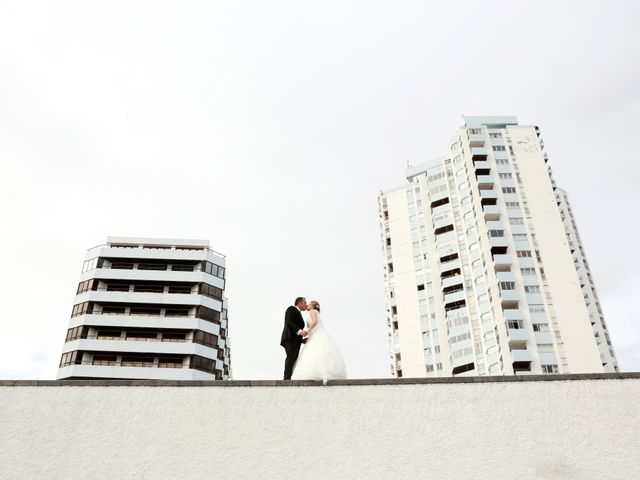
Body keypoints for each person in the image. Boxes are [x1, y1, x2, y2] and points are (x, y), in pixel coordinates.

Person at [291, 300, 347, 383]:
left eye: (309, 304)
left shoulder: (313, 311)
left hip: (315, 334)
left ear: (313, 306)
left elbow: (315, 322)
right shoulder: (315, 312)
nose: (307, 305)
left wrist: (307, 331)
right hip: (315, 334)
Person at [280, 297, 308, 380]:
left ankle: (290, 377)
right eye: (305, 303)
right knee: (291, 357)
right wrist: (300, 332)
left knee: (294, 359)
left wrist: (302, 340)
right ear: (299, 303)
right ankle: (286, 379)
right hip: (289, 339)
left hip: (296, 341)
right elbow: (289, 322)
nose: (306, 305)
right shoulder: (291, 309)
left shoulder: (299, 313)